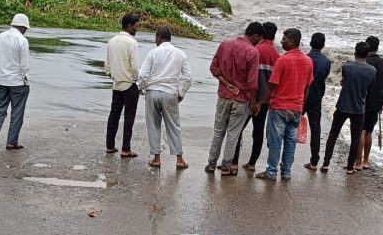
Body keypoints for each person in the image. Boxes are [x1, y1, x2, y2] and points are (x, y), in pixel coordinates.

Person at [254, 28, 314, 181]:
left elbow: (272, 85)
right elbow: (307, 86)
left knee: (275, 141)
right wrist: (301, 105)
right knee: (290, 142)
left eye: (284, 39)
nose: (281, 41)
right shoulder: (308, 61)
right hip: (296, 108)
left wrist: (259, 102)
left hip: (279, 107)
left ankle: (271, 172)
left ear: (292, 41)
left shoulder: (283, 60)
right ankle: (286, 172)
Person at [205, 22, 264, 176]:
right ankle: (225, 167)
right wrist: (253, 104)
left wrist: (226, 83)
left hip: (223, 96)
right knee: (233, 135)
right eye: (260, 39)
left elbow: (213, 68)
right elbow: (252, 83)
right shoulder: (253, 52)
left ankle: (211, 165)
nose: (260, 42)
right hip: (241, 99)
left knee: (218, 132)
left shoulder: (225, 44)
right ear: (256, 36)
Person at [138, 26, 193, 169]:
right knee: (174, 126)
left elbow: (143, 74)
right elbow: (188, 78)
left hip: (152, 92)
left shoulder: (153, 53)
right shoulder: (180, 54)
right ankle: (179, 159)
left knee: (153, 125)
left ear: (159, 37)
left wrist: (141, 88)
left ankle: (156, 159)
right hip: (170, 93)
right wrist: (181, 93)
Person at [230, 22, 280, 172]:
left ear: (261, 35)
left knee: (237, 129)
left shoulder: (254, 50)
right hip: (264, 101)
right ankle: (252, 163)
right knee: (258, 131)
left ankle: (234, 161)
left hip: (248, 97)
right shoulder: (278, 56)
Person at [321, 42, 377, 174]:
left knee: (333, 135)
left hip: (342, 105)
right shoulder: (372, 71)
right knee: (355, 138)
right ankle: (350, 166)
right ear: (368, 54)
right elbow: (370, 88)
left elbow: (344, 81)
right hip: (359, 108)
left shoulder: (347, 67)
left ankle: (326, 164)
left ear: (355, 53)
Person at [0, 13, 31, 150]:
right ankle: (11, 142)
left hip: (2, 81)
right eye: (26, 28)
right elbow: (24, 65)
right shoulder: (22, 40)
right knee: (17, 112)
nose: (26, 30)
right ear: (22, 26)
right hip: (18, 83)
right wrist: (26, 81)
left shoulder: (0, 37)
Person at [105, 13, 141, 158]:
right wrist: (136, 80)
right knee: (129, 117)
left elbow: (107, 65)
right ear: (129, 26)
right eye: (136, 26)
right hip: (129, 84)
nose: (137, 29)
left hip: (116, 83)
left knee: (114, 115)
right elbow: (135, 67)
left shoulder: (111, 41)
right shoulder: (132, 43)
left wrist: (113, 75)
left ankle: (110, 145)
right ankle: (126, 148)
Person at [355, 36, 383, 170]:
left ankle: (358, 162)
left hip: (362, 101)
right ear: (377, 47)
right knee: (369, 132)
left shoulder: (364, 62)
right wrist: (382, 102)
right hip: (376, 103)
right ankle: (365, 161)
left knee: (360, 131)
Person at [302, 33, 332, 171]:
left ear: (310, 43)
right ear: (323, 45)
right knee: (316, 130)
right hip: (316, 98)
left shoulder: (304, 58)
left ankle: (284, 159)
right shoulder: (326, 62)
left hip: (300, 97)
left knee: (290, 126)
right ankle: (314, 161)